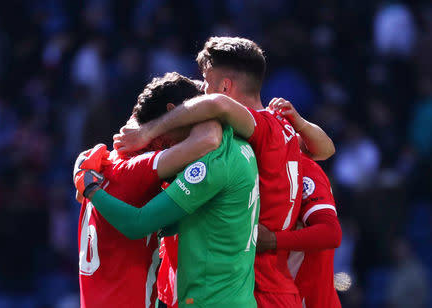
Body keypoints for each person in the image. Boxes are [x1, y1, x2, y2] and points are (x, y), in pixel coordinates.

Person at [113, 36, 335, 308]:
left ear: (225, 87)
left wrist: (147, 131)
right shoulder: (282, 131)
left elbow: (216, 105)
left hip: (255, 286)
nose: (202, 91)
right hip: (272, 284)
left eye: (206, 82)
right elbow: (324, 149)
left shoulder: (260, 130)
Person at [74, 85, 261, 307]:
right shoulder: (139, 168)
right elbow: (208, 138)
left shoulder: (100, 163)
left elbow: (168, 221)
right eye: (192, 120)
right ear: (172, 112)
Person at [257, 152, 342, 308]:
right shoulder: (245, 162)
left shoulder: (303, 169)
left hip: (309, 300)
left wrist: (271, 240)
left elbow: (331, 232)